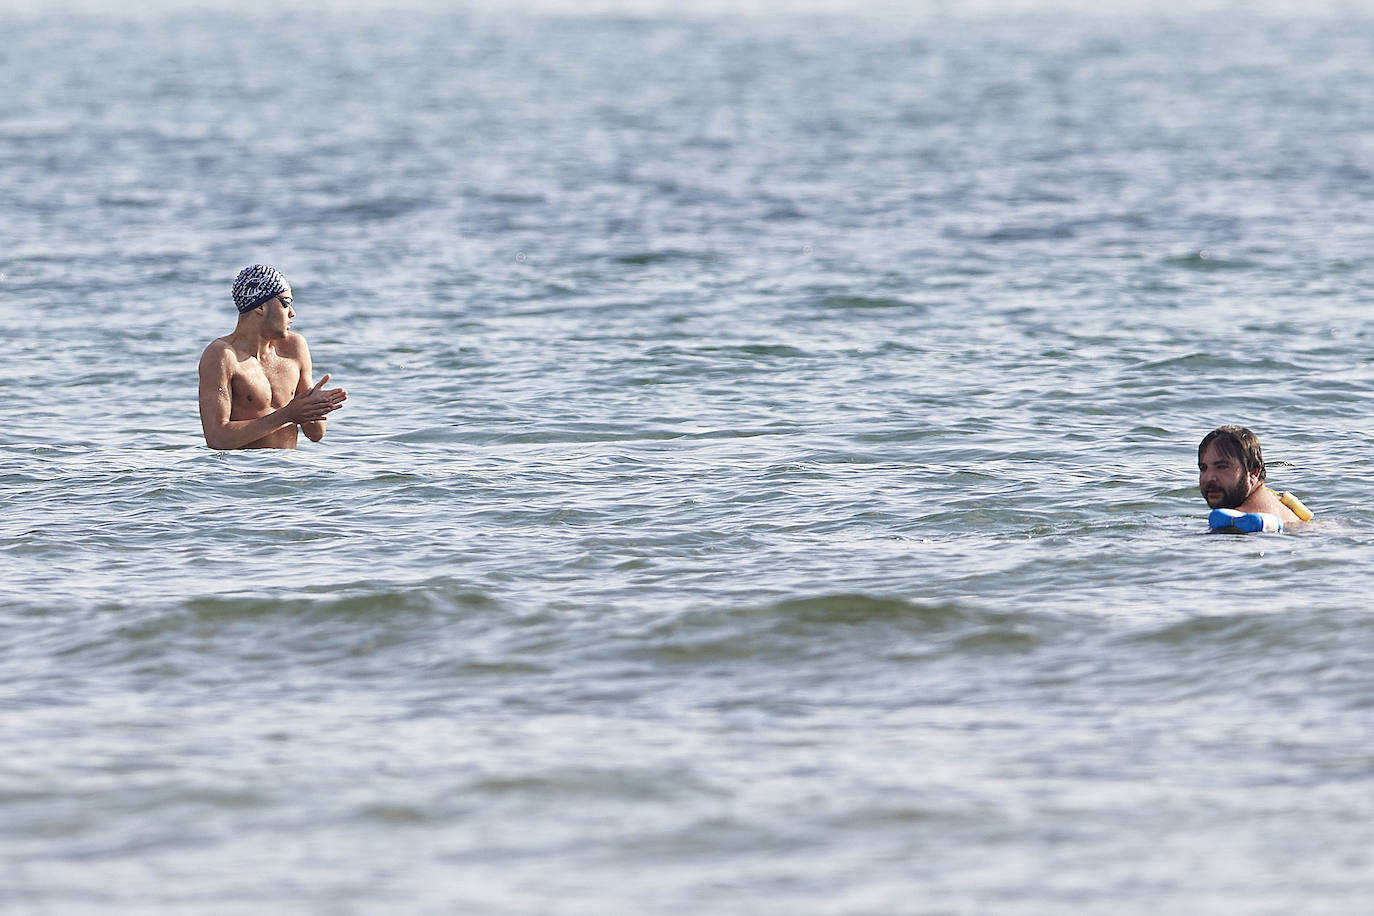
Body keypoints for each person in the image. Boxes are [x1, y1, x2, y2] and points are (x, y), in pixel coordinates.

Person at [198, 265, 347, 450]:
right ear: (260, 307)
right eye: (285, 303)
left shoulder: (295, 348)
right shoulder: (222, 355)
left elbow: (316, 434)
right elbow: (217, 439)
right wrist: (287, 415)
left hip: (287, 474)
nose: (292, 313)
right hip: (242, 474)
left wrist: (316, 407)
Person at [1197, 425, 1303, 525]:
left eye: (1222, 467)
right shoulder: (1276, 502)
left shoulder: (1244, 521)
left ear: (1253, 472)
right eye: (1203, 468)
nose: (1209, 478)